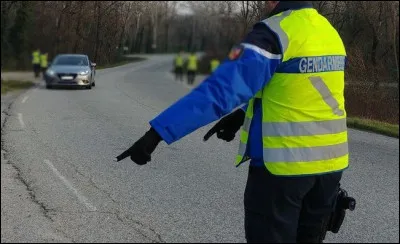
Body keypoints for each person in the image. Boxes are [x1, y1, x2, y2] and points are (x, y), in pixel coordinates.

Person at [116, 1, 349, 243]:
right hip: (330, 169)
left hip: (283, 172)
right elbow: (301, 89)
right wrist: (242, 115)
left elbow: (220, 91)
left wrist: (158, 133)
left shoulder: (273, 33)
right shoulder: (328, 31)